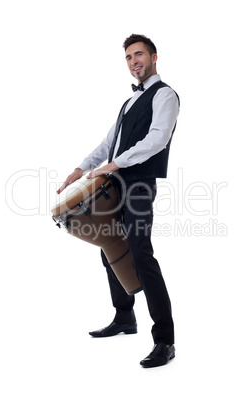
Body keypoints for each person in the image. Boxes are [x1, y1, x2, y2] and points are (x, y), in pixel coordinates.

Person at [57, 34, 180, 368]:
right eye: (128, 57)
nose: (133, 61)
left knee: (140, 254)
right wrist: (80, 169)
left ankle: (165, 340)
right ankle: (124, 316)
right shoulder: (127, 104)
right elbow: (108, 142)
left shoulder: (165, 95)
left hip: (139, 186)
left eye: (139, 54)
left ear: (154, 57)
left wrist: (116, 163)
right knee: (109, 244)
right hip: (116, 183)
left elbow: (157, 139)